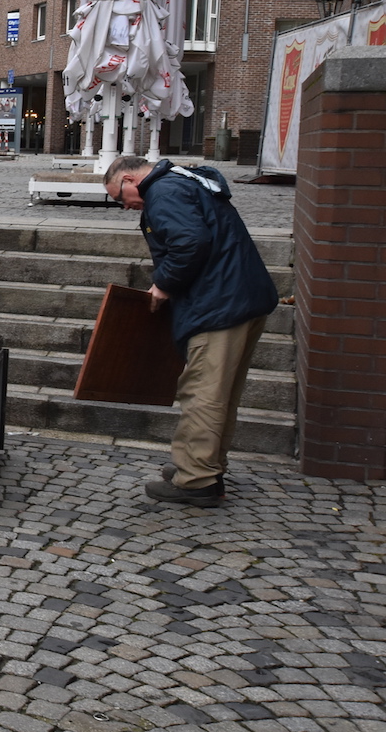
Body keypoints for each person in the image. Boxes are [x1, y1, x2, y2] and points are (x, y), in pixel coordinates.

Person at [103, 155, 279, 505]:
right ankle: (206, 465)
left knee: (203, 393)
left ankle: (197, 480)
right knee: (221, 394)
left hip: (217, 306)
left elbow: (190, 242)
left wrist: (163, 284)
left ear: (129, 180)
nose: (125, 207)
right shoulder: (186, 181)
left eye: (120, 198)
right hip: (242, 298)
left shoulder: (163, 191)